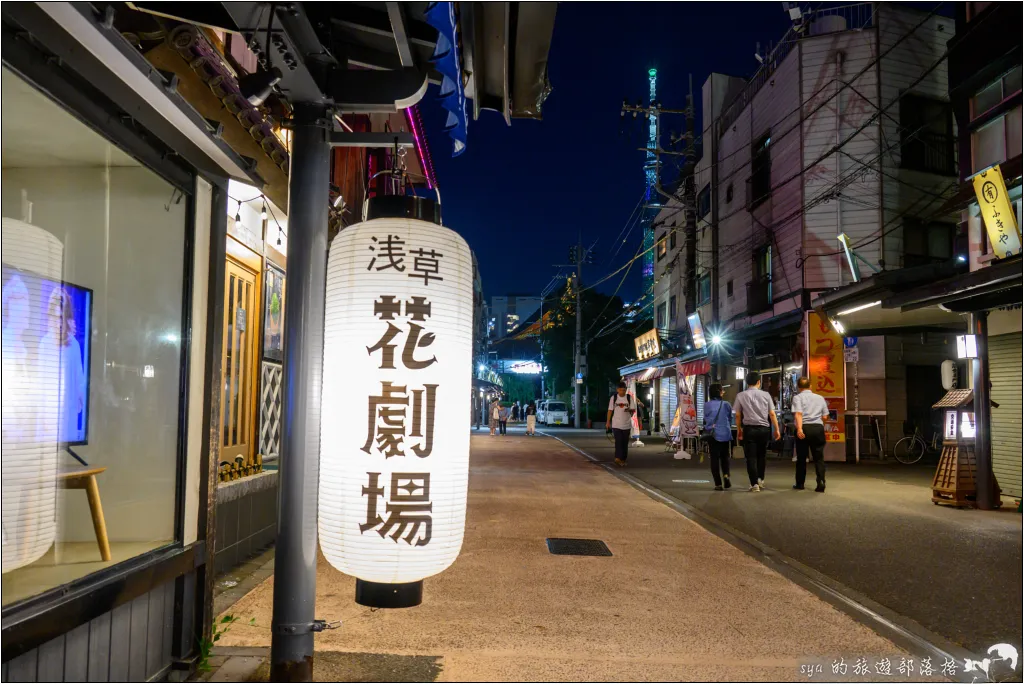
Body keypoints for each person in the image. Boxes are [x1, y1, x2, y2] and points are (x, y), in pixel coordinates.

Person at [734, 371, 781, 492]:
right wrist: (777, 429)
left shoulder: (741, 395)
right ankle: (761, 479)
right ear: (758, 382)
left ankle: (754, 484)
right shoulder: (766, 395)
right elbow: (772, 413)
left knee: (751, 457)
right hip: (764, 429)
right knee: (762, 456)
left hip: (749, 429)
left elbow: (738, 415)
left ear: (747, 382)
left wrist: (739, 429)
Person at [792, 376, 829, 492]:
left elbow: (798, 414)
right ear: (810, 386)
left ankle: (800, 483)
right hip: (818, 428)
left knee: (802, 457)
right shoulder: (820, 398)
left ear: (798, 387)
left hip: (804, 428)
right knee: (819, 457)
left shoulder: (797, 398)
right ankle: (821, 481)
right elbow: (825, 416)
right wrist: (820, 424)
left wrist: (799, 429)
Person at [703, 384, 734, 491]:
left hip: (713, 434)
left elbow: (706, 419)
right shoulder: (726, 404)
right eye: (722, 390)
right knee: (725, 457)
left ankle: (718, 483)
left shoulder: (707, 405)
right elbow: (730, 418)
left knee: (714, 458)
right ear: (720, 392)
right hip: (725, 433)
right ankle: (726, 475)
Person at [606, 382, 636, 467]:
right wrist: (608, 422)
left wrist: (629, 410)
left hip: (626, 424)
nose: (622, 392)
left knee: (624, 443)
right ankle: (617, 458)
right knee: (618, 441)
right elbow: (610, 410)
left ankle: (623, 459)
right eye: (621, 390)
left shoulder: (629, 398)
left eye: (624, 390)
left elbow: (633, 410)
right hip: (616, 424)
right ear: (617, 390)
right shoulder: (614, 398)